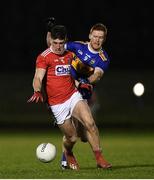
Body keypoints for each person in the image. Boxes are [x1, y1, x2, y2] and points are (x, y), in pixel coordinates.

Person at [28, 23, 112, 170]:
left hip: (73, 95)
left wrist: (84, 82)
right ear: (90, 35)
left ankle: (99, 159)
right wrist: (36, 90)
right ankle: (68, 152)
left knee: (90, 123)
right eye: (55, 43)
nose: (59, 46)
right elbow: (38, 78)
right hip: (56, 103)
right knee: (73, 137)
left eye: (61, 43)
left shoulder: (72, 53)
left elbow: (96, 74)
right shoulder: (44, 57)